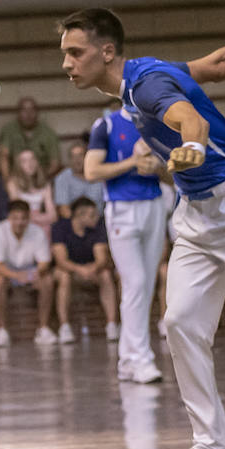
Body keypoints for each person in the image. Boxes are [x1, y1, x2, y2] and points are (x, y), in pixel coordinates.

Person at [58, 5, 225, 449]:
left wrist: (190, 144)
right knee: (181, 322)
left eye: (75, 52)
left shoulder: (146, 85)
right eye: (64, 53)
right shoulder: (145, 72)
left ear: (106, 51)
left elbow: (190, 120)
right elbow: (219, 65)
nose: (66, 63)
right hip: (196, 213)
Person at [86, 106, 167, 383]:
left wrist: (158, 166)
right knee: (134, 283)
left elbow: (172, 173)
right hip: (121, 208)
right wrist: (132, 162)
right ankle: (141, 358)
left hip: (154, 205)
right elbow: (91, 171)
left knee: (145, 285)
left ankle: (127, 359)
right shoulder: (105, 125)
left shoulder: (156, 123)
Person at [0, 200, 56, 346]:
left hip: (30, 269)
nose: (19, 222)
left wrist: (35, 273)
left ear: (28, 217)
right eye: (15, 218)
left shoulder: (37, 232)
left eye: (23, 218)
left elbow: (44, 262)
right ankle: (2, 330)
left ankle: (43, 328)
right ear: (9, 217)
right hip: (7, 271)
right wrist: (16, 276)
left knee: (47, 280)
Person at [51, 195, 118, 343]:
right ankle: (64, 327)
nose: (96, 218)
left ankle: (111, 325)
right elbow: (61, 260)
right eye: (92, 215)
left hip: (91, 270)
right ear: (79, 216)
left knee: (106, 275)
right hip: (69, 269)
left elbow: (101, 259)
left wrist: (91, 269)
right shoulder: (60, 227)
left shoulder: (98, 228)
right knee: (64, 276)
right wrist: (80, 270)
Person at [0, 96, 61, 178]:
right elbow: (3, 158)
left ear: (37, 112)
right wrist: (9, 182)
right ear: (18, 113)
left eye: (32, 110)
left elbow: (55, 162)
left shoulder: (48, 133)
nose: (28, 114)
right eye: (24, 110)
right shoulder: (8, 130)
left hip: (42, 179)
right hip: (15, 179)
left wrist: (41, 180)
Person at [7, 148, 58, 234]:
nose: (29, 164)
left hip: (41, 222)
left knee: (47, 229)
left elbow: (53, 216)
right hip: (21, 222)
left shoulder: (45, 184)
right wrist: (38, 218)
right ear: (19, 165)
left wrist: (36, 218)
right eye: (24, 161)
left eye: (32, 159)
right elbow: (18, 212)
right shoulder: (12, 184)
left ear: (37, 162)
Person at [52, 143, 103, 217]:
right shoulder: (62, 178)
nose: (77, 160)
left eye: (80, 155)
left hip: (101, 220)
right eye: (73, 156)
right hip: (74, 223)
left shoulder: (99, 175)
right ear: (69, 159)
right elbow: (64, 211)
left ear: (87, 157)